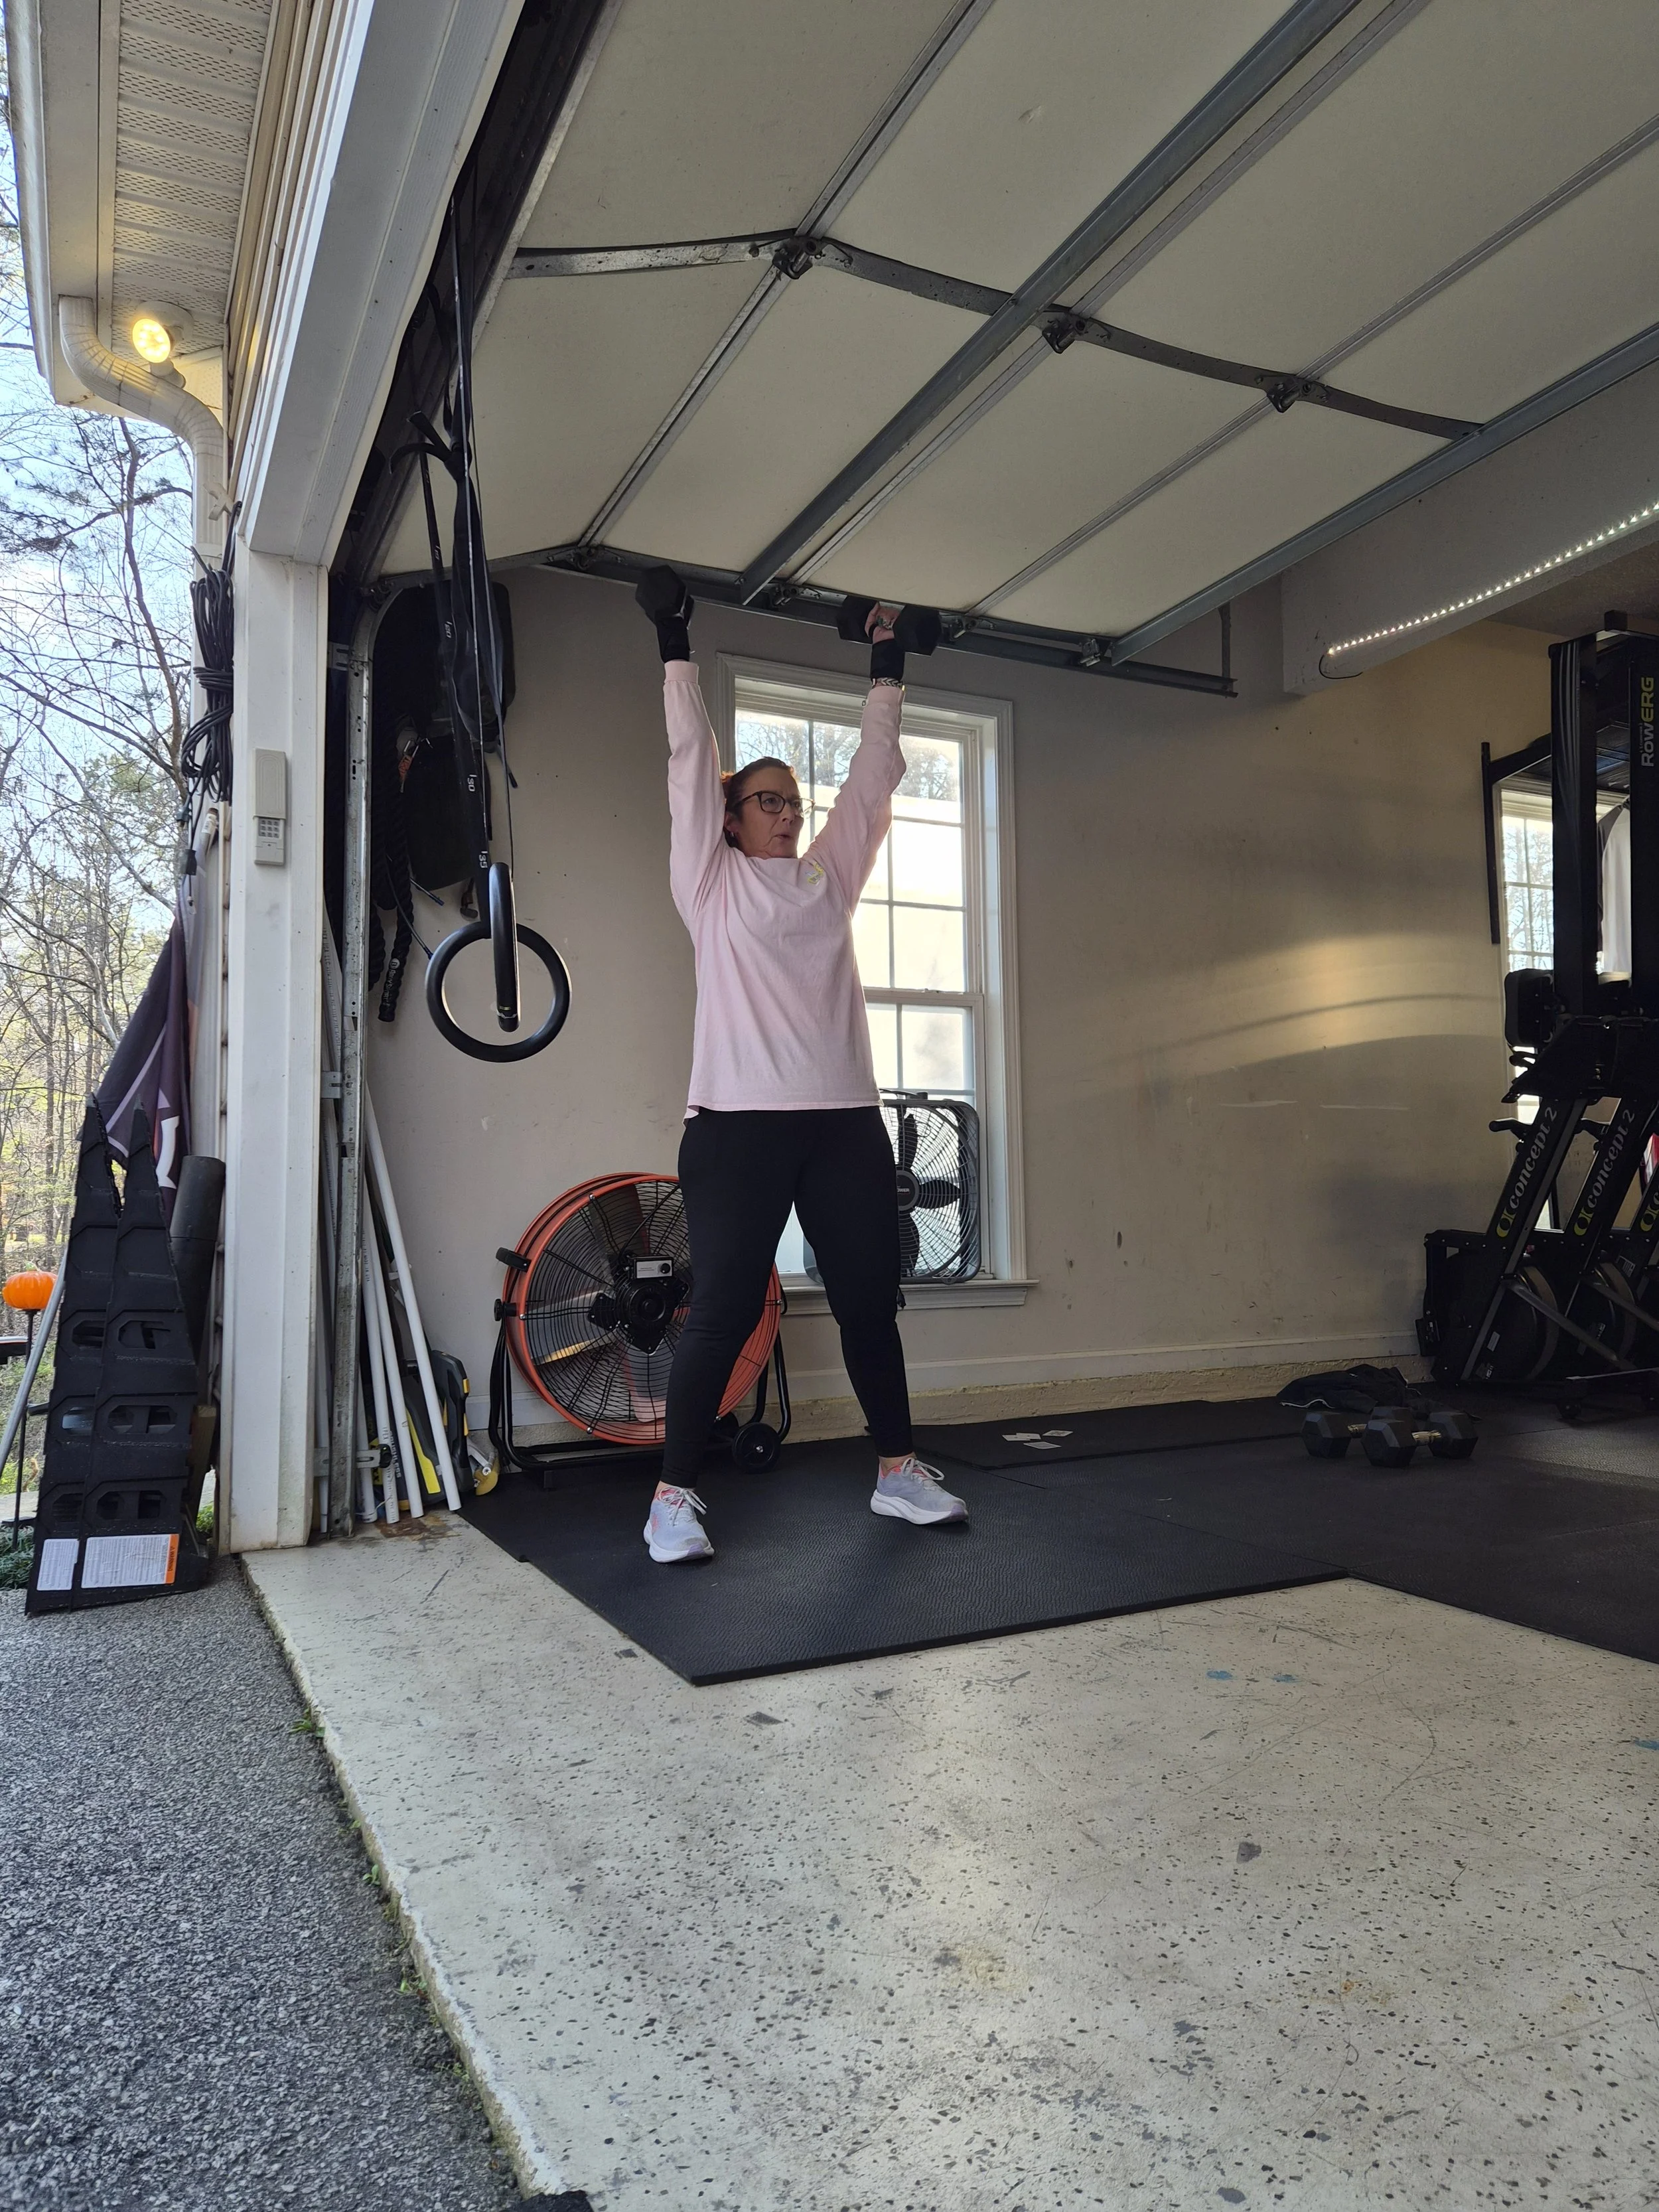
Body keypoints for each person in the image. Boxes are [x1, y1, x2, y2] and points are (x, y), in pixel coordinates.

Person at [635, 569, 968, 1564]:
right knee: (727, 1310)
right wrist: (675, 642)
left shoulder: (826, 884)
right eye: (766, 801)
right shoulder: (711, 885)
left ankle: (898, 1474)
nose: (784, 813)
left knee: (871, 1299)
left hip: (842, 1125)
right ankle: (670, 1499)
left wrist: (887, 660)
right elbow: (690, 762)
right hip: (736, 1126)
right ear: (731, 821)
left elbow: (874, 777)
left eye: (790, 801)